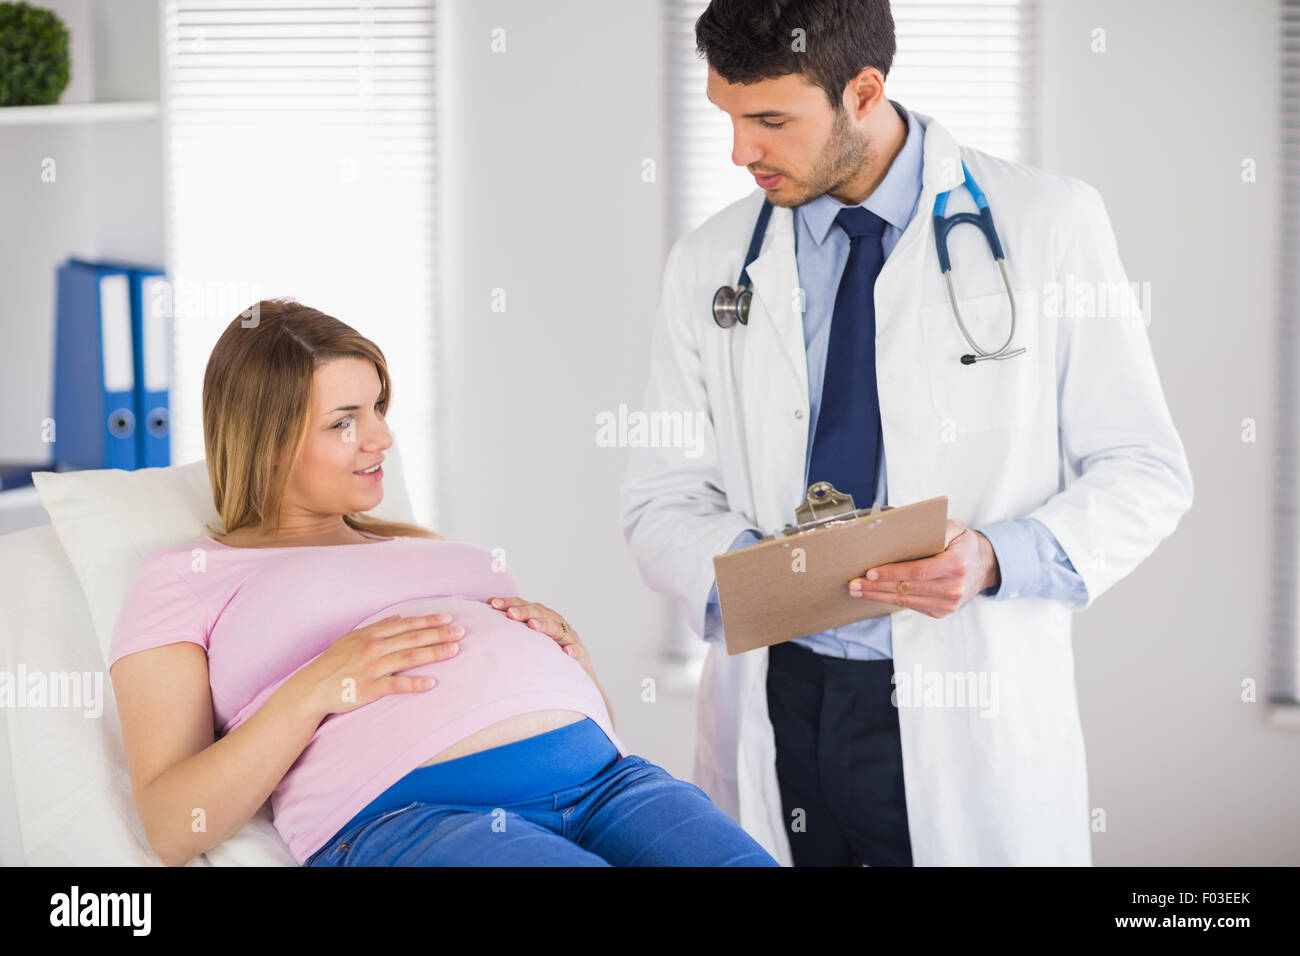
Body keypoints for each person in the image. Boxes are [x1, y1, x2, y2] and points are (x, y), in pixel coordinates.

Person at [619, 0, 1193, 866]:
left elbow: (1146, 468)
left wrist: (997, 555)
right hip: (782, 696)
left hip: (963, 692)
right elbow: (661, 495)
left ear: (863, 89)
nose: (741, 152)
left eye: (771, 120)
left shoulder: (1048, 223)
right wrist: (777, 578)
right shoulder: (710, 262)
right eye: (728, 118)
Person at [107, 298, 778, 867]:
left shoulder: (426, 546)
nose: (381, 438)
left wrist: (573, 661)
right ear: (268, 439)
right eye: (345, 421)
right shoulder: (186, 577)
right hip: (417, 814)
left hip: (610, 781)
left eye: (377, 407)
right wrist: (321, 682)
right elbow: (175, 825)